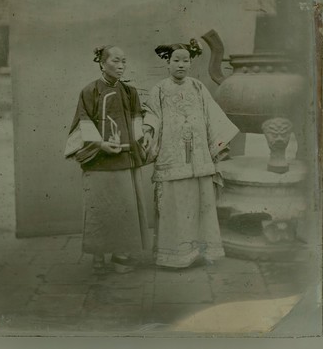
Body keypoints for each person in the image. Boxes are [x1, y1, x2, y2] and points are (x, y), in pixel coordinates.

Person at [142, 39, 239, 268]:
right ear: (168, 62)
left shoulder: (197, 87)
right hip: (172, 155)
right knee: (176, 204)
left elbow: (211, 115)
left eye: (186, 61)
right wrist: (148, 131)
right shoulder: (159, 89)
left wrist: (219, 145)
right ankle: (174, 255)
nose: (181, 65)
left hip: (199, 156)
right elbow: (152, 114)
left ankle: (201, 251)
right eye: (176, 60)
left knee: (200, 203)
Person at [64, 45, 149, 274]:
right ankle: (98, 255)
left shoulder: (130, 92)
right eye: (116, 61)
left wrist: (141, 136)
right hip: (98, 161)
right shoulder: (90, 91)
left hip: (124, 158)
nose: (121, 66)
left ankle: (120, 255)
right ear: (102, 63)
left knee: (123, 208)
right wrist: (100, 144)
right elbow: (83, 121)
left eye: (124, 61)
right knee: (100, 209)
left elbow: (136, 119)